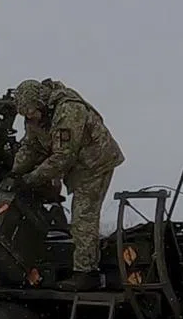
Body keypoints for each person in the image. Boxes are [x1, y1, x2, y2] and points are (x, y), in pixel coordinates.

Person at [10, 78, 125, 291]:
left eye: (32, 112)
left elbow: (63, 156)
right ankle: (84, 265)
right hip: (77, 166)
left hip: (95, 163)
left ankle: (86, 273)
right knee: (80, 218)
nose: (29, 117)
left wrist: (31, 179)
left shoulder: (69, 110)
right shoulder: (34, 116)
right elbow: (30, 146)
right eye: (25, 114)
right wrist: (15, 173)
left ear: (40, 103)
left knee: (83, 217)